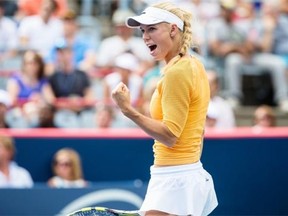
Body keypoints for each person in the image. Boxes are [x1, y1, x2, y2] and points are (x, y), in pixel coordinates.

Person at [111, 2, 218, 215]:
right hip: (184, 174)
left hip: (176, 178)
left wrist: (127, 110)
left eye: (152, 29)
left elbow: (170, 136)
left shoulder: (177, 72)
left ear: (173, 30)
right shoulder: (193, 65)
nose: (145, 37)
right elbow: (199, 130)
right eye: (143, 31)